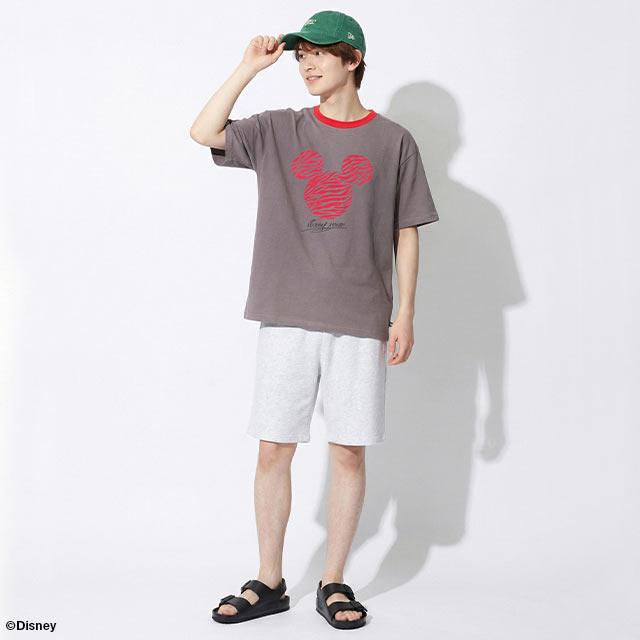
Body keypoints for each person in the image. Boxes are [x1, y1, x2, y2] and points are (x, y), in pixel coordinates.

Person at [190, 10, 439, 629]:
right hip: (287, 312)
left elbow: (407, 231)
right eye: (302, 54)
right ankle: (270, 581)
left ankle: (333, 581)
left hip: (360, 315)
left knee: (349, 452)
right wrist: (249, 68)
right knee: (274, 448)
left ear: (354, 59)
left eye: (321, 53)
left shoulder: (393, 141)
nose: (307, 63)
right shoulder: (279, 129)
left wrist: (406, 312)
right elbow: (203, 131)